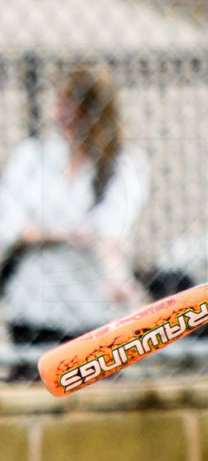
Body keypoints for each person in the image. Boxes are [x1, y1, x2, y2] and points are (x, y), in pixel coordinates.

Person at [0, 66, 149, 360]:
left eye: (75, 107)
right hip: (36, 306)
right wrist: (69, 234)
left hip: (94, 310)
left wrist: (117, 280)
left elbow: (110, 230)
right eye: (61, 104)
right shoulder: (32, 158)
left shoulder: (122, 164)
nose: (63, 115)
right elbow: (12, 226)